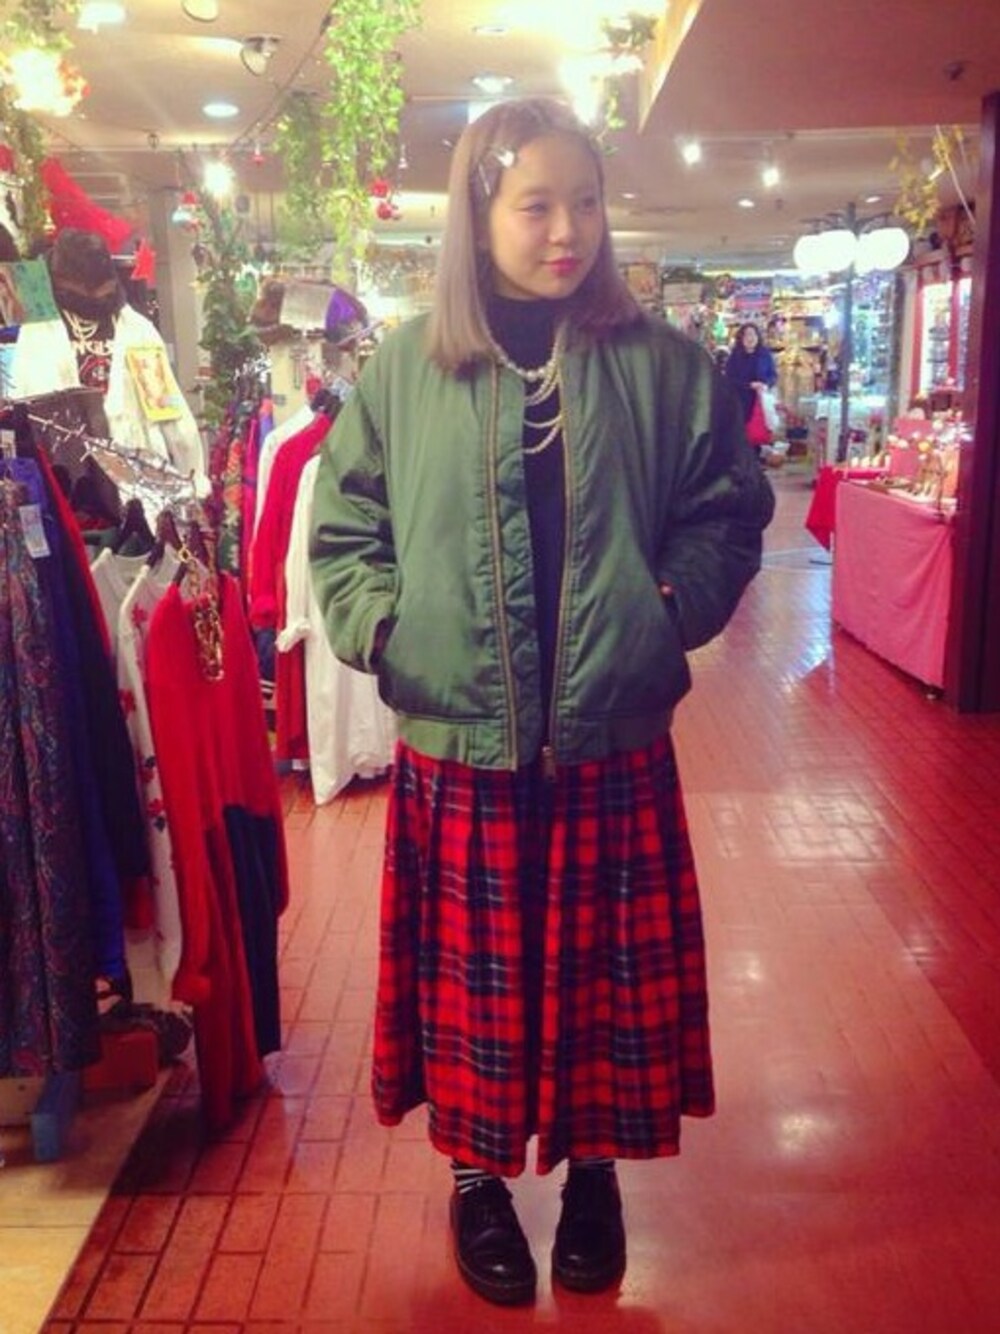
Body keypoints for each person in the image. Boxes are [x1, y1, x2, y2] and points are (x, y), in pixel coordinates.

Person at [309, 96, 775, 1307]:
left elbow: (728, 510)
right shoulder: (406, 369)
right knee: (476, 983)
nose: (566, 230)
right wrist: (391, 633)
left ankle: (593, 1176)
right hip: (458, 741)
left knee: (603, 980)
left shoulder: (664, 367)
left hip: (610, 736)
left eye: (585, 202)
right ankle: (475, 1177)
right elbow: (344, 529)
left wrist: (664, 612)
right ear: (479, 215)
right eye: (535, 205)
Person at [724, 320, 778, 426]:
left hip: (762, 399)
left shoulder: (765, 354)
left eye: (753, 334)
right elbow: (729, 379)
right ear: (741, 338)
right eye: (747, 335)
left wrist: (766, 384)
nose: (750, 338)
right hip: (740, 401)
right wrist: (749, 385)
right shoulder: (735, 356)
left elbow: (773, 375)